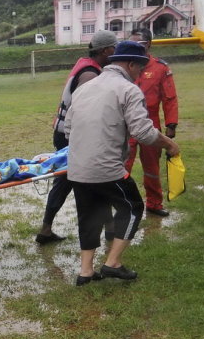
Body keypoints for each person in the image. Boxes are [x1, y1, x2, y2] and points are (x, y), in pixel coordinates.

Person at [64, 41, 179, 285]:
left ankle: (85, 272)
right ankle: (112, 263)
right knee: (134, 207)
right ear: (130, 65)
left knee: (90, 215)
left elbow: (68, 128)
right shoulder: (128, 90)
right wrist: (169, 144)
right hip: (106, 168)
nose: (139, 74)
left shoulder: (85, 88)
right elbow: (144, 132)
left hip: (77, 168)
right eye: (139, 69)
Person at [35, 30, 118, 244]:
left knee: (68, 182)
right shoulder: (90, 74)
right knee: (91, 180)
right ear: (106, 50)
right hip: (72, 136)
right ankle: (108, 228)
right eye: (114, 48)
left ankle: (47, 229)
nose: (116, 52)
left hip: (66, 133)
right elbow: (83, 110)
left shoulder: (87, 66)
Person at [125, 28, 179, 217]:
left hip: (150, 123)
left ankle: (154, 203)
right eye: (131, 43)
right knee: (123, 165)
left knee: (152, 167)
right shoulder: (125, 65)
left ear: (148, 45)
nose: (134, 47)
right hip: (127, 125)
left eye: (139, 44)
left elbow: (170, 98)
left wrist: (171, 125)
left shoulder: (160, 68)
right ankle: (123, 204)